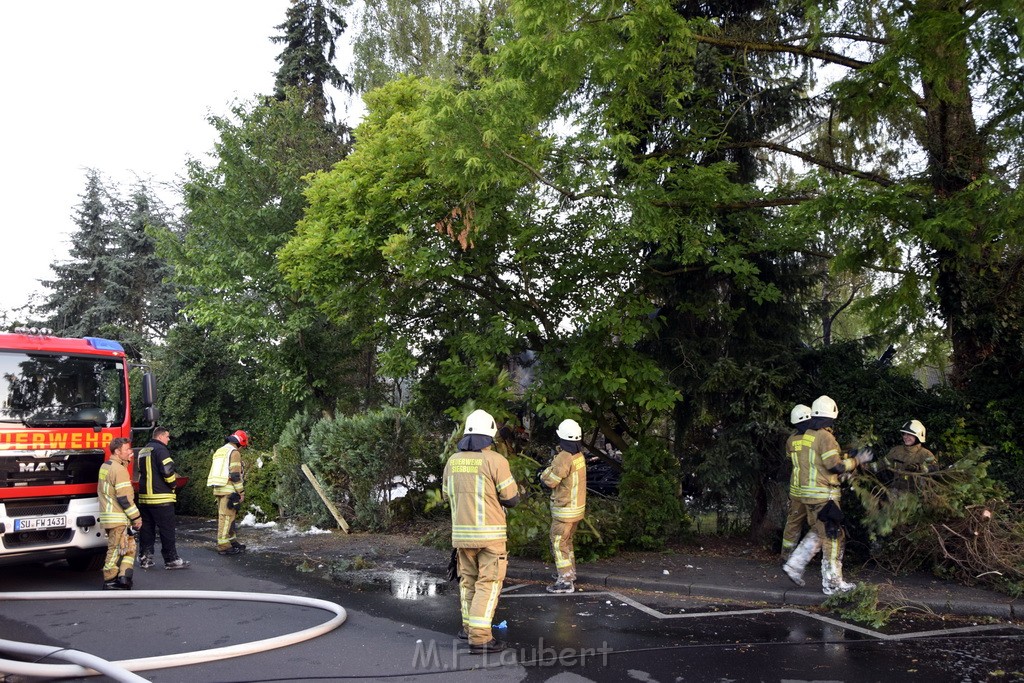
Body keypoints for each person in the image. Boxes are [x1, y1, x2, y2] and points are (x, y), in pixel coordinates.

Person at [442, 409, 520, 654]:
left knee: (468, 583)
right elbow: (512, 499)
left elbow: (446, 495)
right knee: (489, 584)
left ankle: (468, 629)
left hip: (462, 537)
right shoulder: (495, 460)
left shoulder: (452, 461)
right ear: (490, 436)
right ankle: (481, 638)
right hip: (490, 537)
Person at [782, 395, 873, 595]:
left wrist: (847, 457)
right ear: (832, 415)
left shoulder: (807, 436)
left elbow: (819, 462)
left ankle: (794, 564)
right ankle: (833, 583)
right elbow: (835, 466)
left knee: (819, 530)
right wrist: (857, 461)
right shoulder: (825, 436)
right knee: (833, 536)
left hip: (809, 495)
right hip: (824, 495)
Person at [540, 418, 587, 594]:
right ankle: (569, 572)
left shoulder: (564, 457)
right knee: (567, 542)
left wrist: (543, 474)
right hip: (576, 509)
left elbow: (551, 481)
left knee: (559, 543)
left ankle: (565, 581)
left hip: (564, 510)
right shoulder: (578, 456)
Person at [137, 427, 189, 570]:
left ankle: (145, 558)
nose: (168, 439)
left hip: (145, 498)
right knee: (167, 529)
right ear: (160, 437)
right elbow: (167, 470)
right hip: (161, 498)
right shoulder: (161, 450)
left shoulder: (143, 451)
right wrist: (173, 484)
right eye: (167, 436)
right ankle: (171, 559)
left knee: (147, 530)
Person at [97, 437, 142, 589]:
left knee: (129, 547)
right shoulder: (119, 470)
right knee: (115, 549)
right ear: (117, 451)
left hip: (111, 516)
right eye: (127, 450)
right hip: (118, 517)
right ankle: (109, 581)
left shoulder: (107, 466)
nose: (130, 452)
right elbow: (124, 498)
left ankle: (124, 578)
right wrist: (136, 517)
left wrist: (127, 462)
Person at [207, 429, 249, 555]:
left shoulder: (221, 451)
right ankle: (223, 545)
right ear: (240, 443)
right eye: (243, 446)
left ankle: (232, 541)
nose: (242, 449)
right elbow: (235, 474)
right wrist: (241, 491)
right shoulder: (234, 452)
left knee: (229, 517)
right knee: (226, 518)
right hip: (229, 488)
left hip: (218, 487)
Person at [780, 404, 813, 559]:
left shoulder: (791, 440)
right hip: (813, 490)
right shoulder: (816, 438)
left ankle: (787, 555)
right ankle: (808, 557)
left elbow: (790, 460)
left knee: (793, 523)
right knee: (819, 525)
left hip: (796, 491)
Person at [883, 420, 936, 490]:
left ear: (918, 436)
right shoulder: (896, 450)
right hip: (895, 492)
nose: (905, 437)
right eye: (904, 434)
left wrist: (920, 468)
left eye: (909, 434)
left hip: (916, 495)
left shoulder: (926, 454)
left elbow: (935, 471)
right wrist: (866, 465)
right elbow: (882, 464)